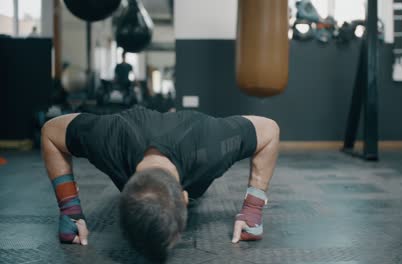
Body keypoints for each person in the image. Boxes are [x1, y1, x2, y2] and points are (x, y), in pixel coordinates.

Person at [41, 105, 279, 263]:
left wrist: (253, 208)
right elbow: (51, 132)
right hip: (141, 129)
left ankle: (172, 111)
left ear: (185, 199)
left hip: (190, 134)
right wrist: (69, 208)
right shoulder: (108, 140)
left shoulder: (212, 145)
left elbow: (269, 131)